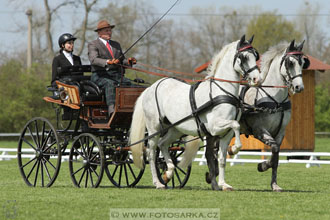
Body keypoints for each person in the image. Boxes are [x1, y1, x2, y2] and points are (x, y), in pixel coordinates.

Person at [88, 20, 137, 116]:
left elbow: (121, 61)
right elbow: (93, 59)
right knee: (110, 84)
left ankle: (130, 108)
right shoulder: (93, 44)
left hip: (115, 75)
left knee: (129, 83)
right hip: (100, 75)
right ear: (99, 33)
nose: (109, 33)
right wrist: (107, 62)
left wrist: (128, 62)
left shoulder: (116, 45)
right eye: (106, 31)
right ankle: (112, 109)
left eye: (110, 30)